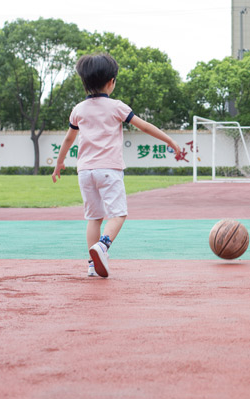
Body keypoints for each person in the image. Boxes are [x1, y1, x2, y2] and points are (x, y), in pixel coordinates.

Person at [52, 53, 181, 278]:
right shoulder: (117, 107)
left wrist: (59, 163)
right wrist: (169, 140)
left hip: (84, 172)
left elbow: (68, 140)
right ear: (111, 82)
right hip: (109, 170)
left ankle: (92, 265)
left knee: (94, 218)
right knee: (118, 215)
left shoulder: (78, 109)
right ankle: (103, 246)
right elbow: (145, 126)